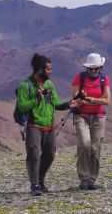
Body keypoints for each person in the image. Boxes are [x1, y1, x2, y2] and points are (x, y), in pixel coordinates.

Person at [17, 53, 77, 196]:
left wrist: (68, 104)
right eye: (48, 69)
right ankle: (34, 185)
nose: (51, 72)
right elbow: (22, 107)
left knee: (49, 154)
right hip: (33, 126)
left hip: (49, 126)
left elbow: (55, 103)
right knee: (34, 153)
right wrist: (36, 100)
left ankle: (40, 179)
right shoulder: (24, 86)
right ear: (39, 69)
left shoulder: (49, 84)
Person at [71, 53, 111, 190]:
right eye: (91, 69)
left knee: (95, 147)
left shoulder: (104, 79)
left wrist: (92, 100)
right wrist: (81, 98)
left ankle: (92, 179)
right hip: (81, 115)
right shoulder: (79, 78)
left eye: (96, 68)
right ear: (86, 68)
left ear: (100, 67)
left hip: (98, 117)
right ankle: (84, 177)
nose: (94, 71)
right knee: (84, 144)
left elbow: (107, 100)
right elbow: (75, 96)